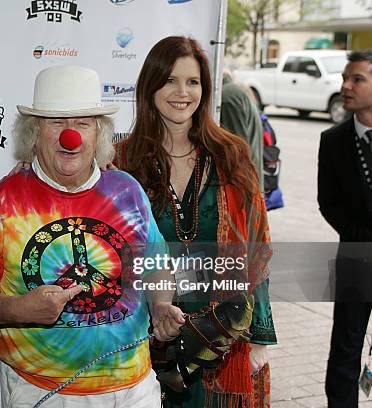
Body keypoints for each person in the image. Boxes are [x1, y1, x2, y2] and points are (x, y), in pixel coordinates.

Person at [0, 65, 184, 408]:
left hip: (135, 388)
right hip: (42, 391)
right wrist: (20, 309)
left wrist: (162, 304)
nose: (71, 136)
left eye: (83, 123)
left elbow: (156, 264)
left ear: (99, 133)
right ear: (34, 132)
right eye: (57, 123)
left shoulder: (127, 191)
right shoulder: (2, 202)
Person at [115, 36, 276, 408]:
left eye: (193, 82)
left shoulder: (231, 155)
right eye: (170, 80)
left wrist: (260, 338)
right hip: (145, 337)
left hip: (224, 338)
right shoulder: (122, 163)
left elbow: (256, 251)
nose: (182, 92)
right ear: (149, 86)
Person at [319, 49, 372, 408]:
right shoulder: (333, 140)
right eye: (344, 78)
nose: (346, 86)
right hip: (356, 260)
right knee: (345, 349)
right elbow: (329, 203)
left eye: (357, 79)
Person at [220, 69, 264, 191]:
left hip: (244, 187)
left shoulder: (226, 97)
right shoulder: (232, 92)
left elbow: (237, 151)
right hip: (249, 182)